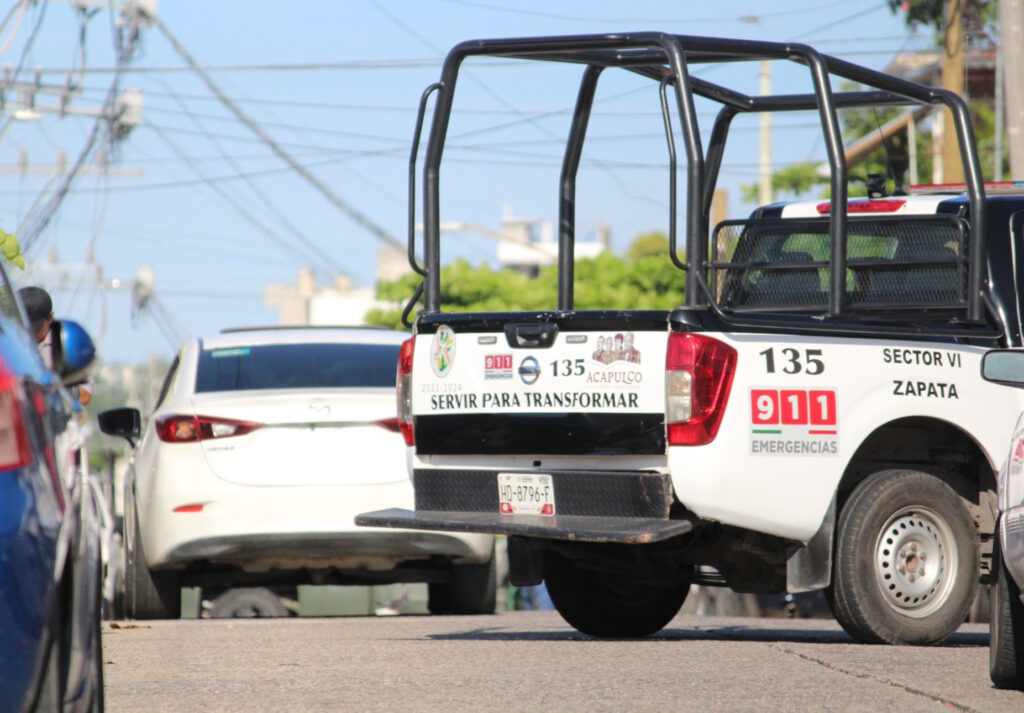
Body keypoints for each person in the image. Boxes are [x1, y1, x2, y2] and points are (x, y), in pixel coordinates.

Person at [18, 286, 91, 405]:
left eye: (35, 328)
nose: (30, 334)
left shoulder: (63, 343)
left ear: (50, 317)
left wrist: (55, 388)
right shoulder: (9, 343)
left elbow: (85, 395)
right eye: (22, 326)